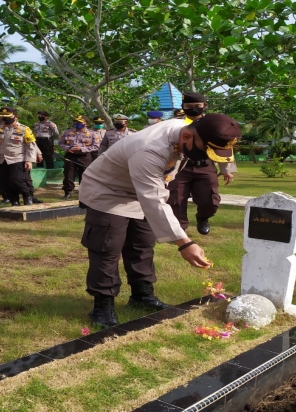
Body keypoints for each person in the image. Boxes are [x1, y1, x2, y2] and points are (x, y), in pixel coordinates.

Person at [79, 114, 240, 327]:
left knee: (142, 244)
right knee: (107, 248)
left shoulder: (189, 133)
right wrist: (185, 244)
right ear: (186, 136)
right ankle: (103, 306)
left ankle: (142, 296)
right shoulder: (149, 149)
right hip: (109, 192)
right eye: (204, 151)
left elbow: (154, 191)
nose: (204, 157)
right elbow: (154, 199)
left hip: (141, 190)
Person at [168, 92, 236, 235]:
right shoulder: (174, 124)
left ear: (205, 106)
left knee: (210, 201)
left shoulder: (213, 124)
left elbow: (223, 145)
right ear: (183, 106)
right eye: (189, 106)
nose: (193, 108)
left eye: (197, 106)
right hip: (180, 166)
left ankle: (203, 217)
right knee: (176, 199)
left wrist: (226, 169)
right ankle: (180, 229)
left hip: (205, 165)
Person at [0, 107, 38, 206]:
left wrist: (29, 160)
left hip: (18, 158)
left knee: (16, 180)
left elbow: (31, 146)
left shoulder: (24, 129)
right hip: (1, 159)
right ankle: (14, 201)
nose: (5, 119)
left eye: (8, 117)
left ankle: (27, 195)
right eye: (3, 117)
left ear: (16, 117)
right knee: (6, 182)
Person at [58, 115, 100, 200]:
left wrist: (82, 148)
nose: (77, 124)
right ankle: (68, 192)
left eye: (80, 123)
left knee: (85, 175)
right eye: (76, 122)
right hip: (70, 155)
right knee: (68, 175)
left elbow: (96, 146)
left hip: (85, 156)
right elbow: (60, 143)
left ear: (86, 123)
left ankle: (84, 194)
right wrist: (67, 148)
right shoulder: (67, 132)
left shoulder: (92, 134)